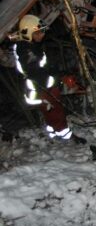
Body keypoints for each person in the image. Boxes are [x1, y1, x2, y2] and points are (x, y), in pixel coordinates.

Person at [11, 15, 86, 144]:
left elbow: (44, 66)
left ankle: (53, 132)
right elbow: (37, 73)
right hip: (39, 88)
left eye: (42, 32)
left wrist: (62, 74)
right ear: (28, 32)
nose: (42, 35)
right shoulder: (25, 50)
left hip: (43, 86)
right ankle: (66, 135)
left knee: (50, 112)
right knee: (55, 111)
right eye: (38, 33)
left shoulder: (31, 45)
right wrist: (60, 81)